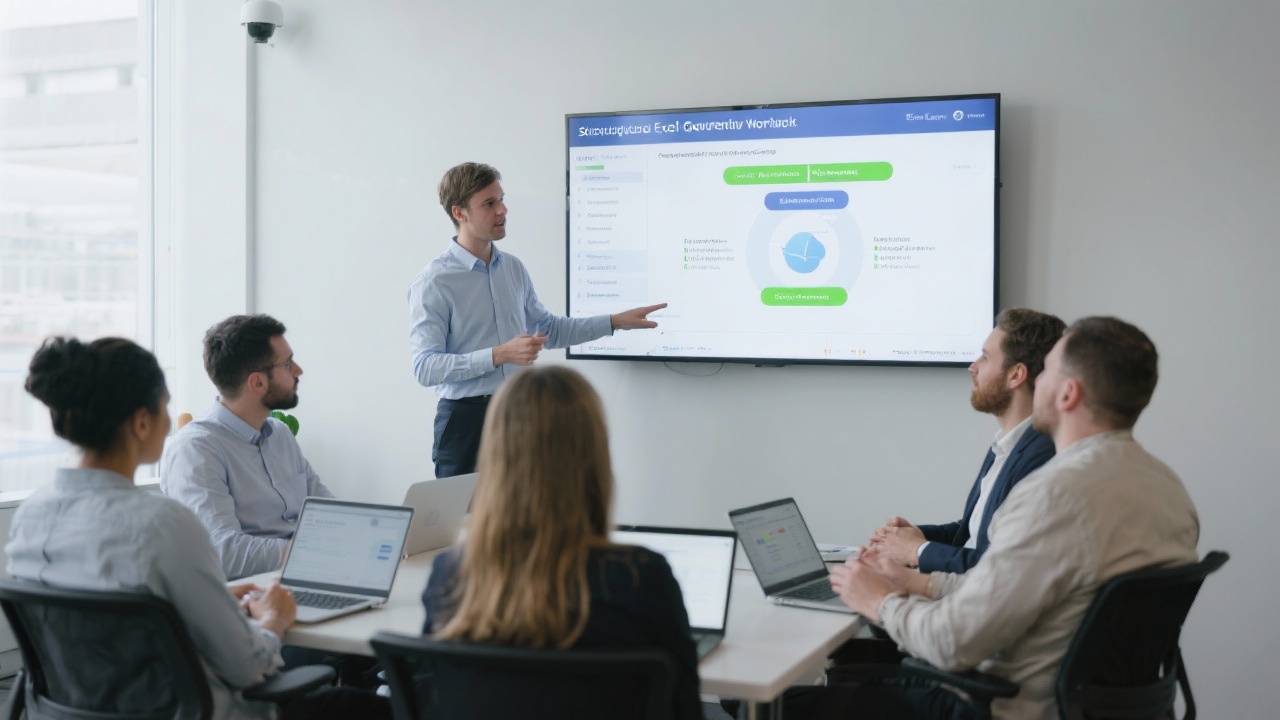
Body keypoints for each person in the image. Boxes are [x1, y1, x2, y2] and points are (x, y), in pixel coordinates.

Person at [811, 317, 1200, 720]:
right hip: (1096, 709)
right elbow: (1015, 592)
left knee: (780, 704)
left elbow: (953, 642)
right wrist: (920, 583)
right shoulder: (1169, 490)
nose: (1037, 382)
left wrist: (878, 602)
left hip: (998, 706)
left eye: (1047, 369)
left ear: (1068, 394)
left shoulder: (1054, 495)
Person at [7, 336, 389, 720]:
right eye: (165, 407)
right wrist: (274, 619)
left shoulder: (30, 519)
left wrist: (216, 596)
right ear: (142, 422)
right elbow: (249, 666)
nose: (170, 420)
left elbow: (109, 619)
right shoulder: (164, 525)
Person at [419, 366, 701, 720]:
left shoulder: (449, 576)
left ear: (496, 455)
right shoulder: (641, 578)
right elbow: (686, 709)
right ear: (594, 454)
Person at [408, 162, 667, 478]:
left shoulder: (512, 269)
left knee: (524, 519)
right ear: (460, 213)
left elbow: (550, 330)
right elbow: (425, 367)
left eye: (501, 199)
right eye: (489, 204)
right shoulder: (435, 282)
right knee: (466, 524)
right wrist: (498, 355)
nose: (503, 210)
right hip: (465, 423)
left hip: (517, 413)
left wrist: (614, 321)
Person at [868, 308, 1065, 574]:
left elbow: (997, 567)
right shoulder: (1007, 445)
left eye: (985, 357)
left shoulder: (1042, 455)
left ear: (1016, 375)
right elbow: (972, 533)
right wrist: (911, 537)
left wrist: (916, 550)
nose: (972, 367)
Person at [161, 314, 333, 580]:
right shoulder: (196, 450)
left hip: (304, 574)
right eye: (287, 364)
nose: (298, 370)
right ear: (258, 383)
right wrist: (308, 554)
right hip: (253, 592)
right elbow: (221, 552)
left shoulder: (280, 434)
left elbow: (328, 511)